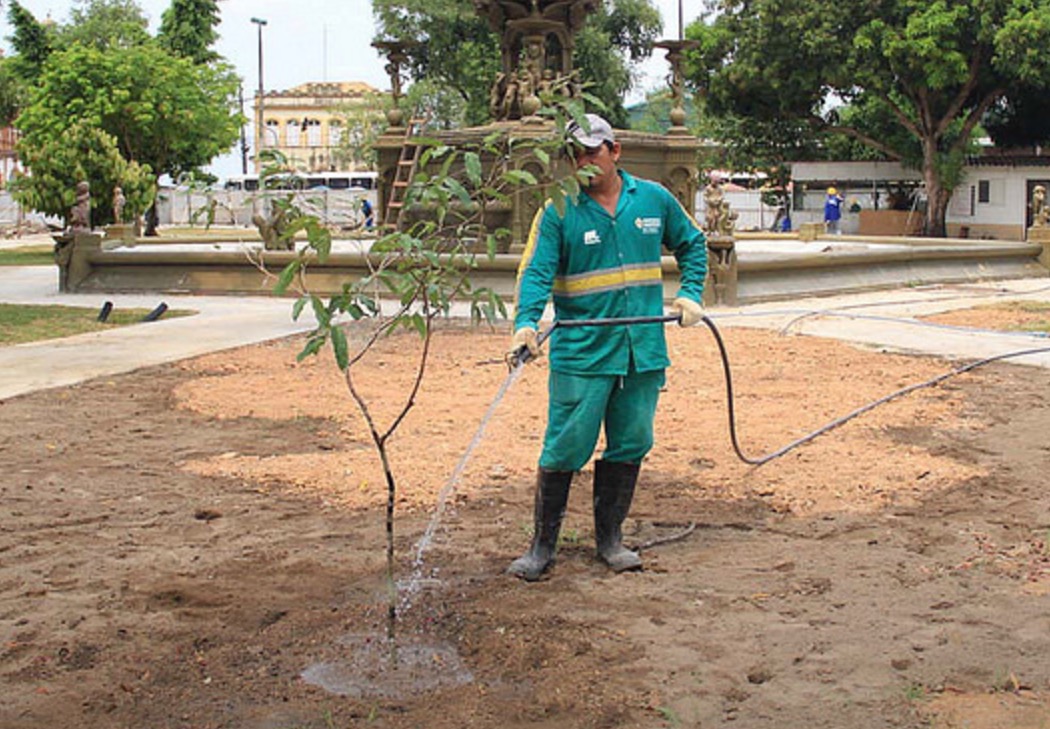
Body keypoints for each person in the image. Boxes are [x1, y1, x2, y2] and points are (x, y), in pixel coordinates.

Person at [507, 113, 708, 581]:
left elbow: (694, 244)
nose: (584, 162)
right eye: (575, 155)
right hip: (583, 350)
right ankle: (541, 548)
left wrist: (691, 293)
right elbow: (536, 272)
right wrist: (526, 324)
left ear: (615, 151)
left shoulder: (654, 199)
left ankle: (611, 540)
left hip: (642, 348)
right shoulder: (558, 211)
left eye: (592, 152)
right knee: (566, 444)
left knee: (633, 439)